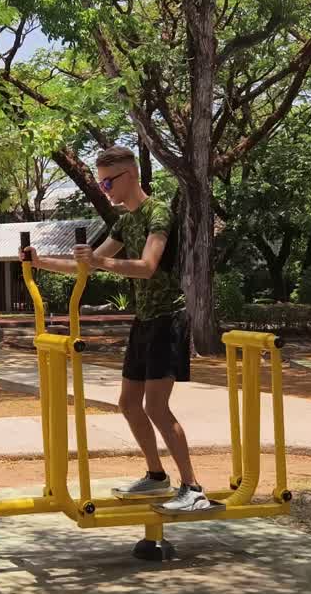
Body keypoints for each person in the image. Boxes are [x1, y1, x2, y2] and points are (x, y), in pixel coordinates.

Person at [24, 145, 211, 514]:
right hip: (145, 318)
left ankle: (193, 488)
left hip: (168, 318)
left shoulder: (158, 213)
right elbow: (88, 265)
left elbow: (147, 266)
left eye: (108, 182)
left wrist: (100, 261)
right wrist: (39, 261)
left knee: (156, 406)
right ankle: (156, 476)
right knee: (128, 403)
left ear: (131, 175)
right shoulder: (125, 222)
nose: (105, 189)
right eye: (101, 183)